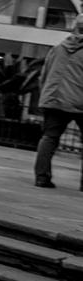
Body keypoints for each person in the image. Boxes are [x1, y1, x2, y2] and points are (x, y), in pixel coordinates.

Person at [34, 14, 83, 189]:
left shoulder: (57, 49)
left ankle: (41, 177)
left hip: (53, 99)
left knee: (49, 137)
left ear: (75, 28)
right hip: (79, 101)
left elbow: (44, 75)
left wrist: (46, 96)